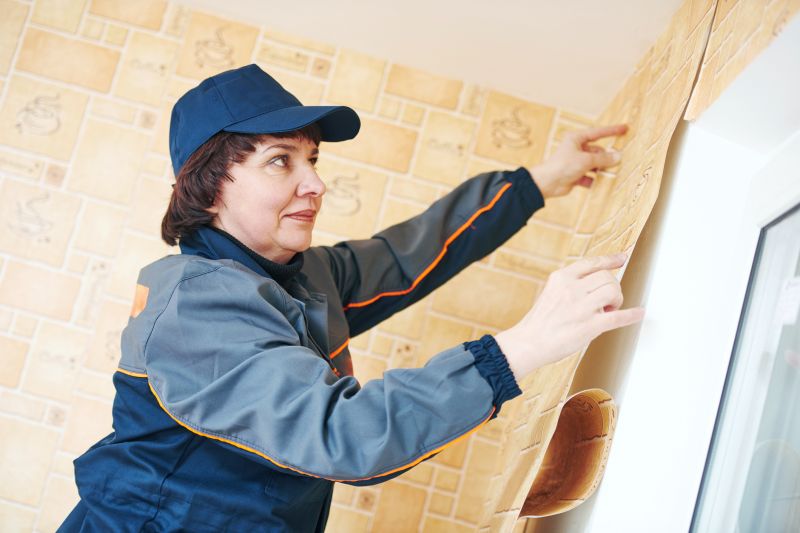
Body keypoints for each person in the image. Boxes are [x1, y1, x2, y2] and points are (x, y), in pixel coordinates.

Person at [58, 63, 644, 532]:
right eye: (279, 161)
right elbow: (346, 436)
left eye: (311, 159)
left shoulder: (298, 273)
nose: (314, 183)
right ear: (207, 189)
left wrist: (539, 180)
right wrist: (522, 347)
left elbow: (410, 254)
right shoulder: (195, 307)